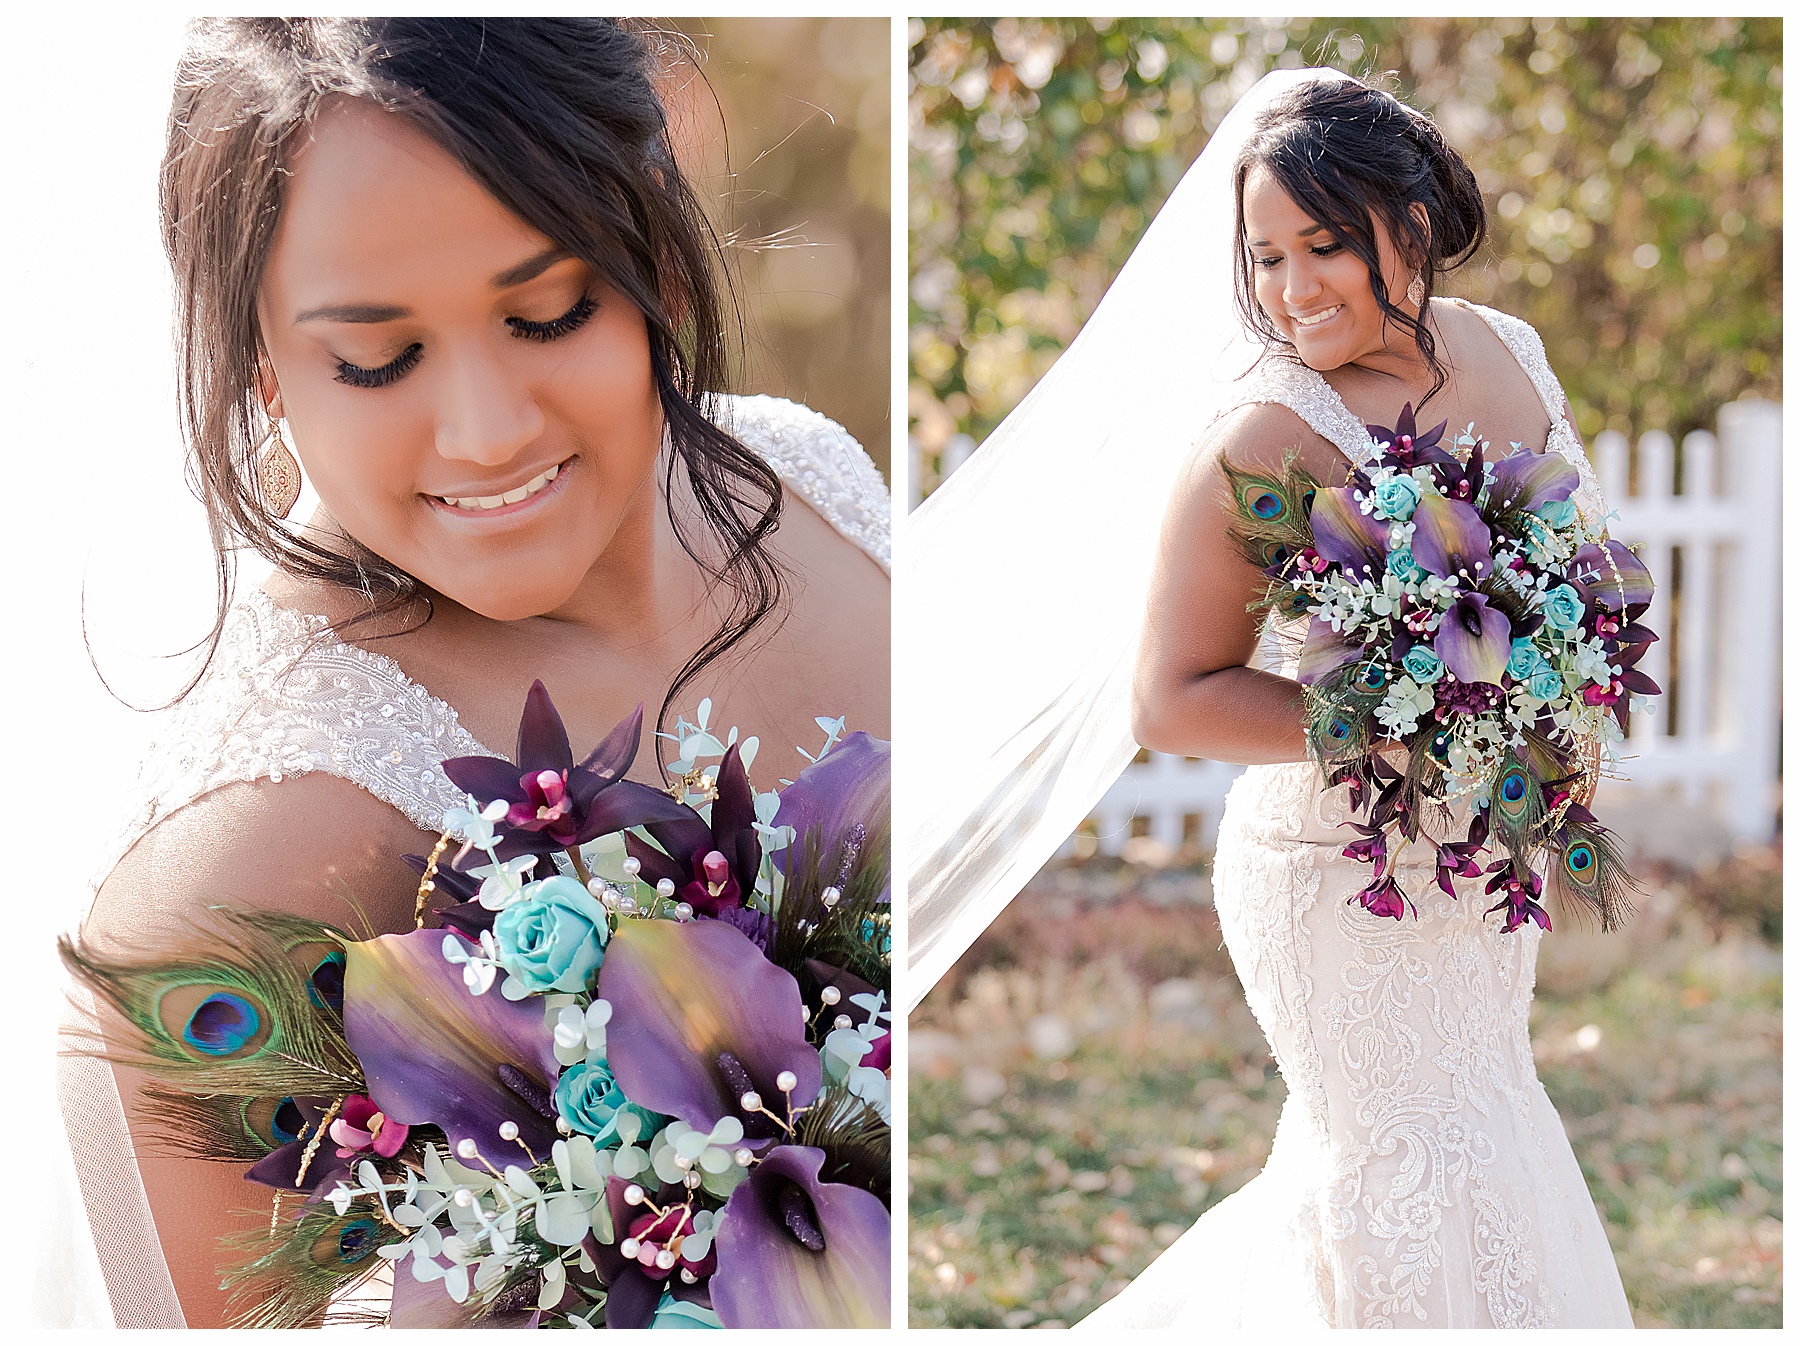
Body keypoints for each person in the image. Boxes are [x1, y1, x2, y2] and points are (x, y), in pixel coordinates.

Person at [62, 18, 888, 1329]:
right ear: (263, 362)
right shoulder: (231, 875)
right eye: (378, 356)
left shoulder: (813, 480)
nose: (489, 429)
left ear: (658, 264)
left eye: (550, 309)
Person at [902, 70, 1630, 1328]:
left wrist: (1557, 694)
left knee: (1488, 1125)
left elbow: (1583, 557)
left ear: (1410, 219)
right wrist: (1409, 732)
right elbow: (1169, 698)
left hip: (1473, 870)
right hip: (1333, 875)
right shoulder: (1263, 432)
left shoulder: (1509, 349)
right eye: (1268, 257)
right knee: (1391, 1169)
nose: (1296, 291)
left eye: (1327, 245)